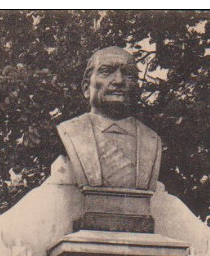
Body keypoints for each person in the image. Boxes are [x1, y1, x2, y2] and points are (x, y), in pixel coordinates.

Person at [57, 47, 162, 191]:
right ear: (86, 88)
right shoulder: (72, 131)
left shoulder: (151, 140)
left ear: (137, 88)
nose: (119, 80)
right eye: (106, 71)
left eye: (128, 74)